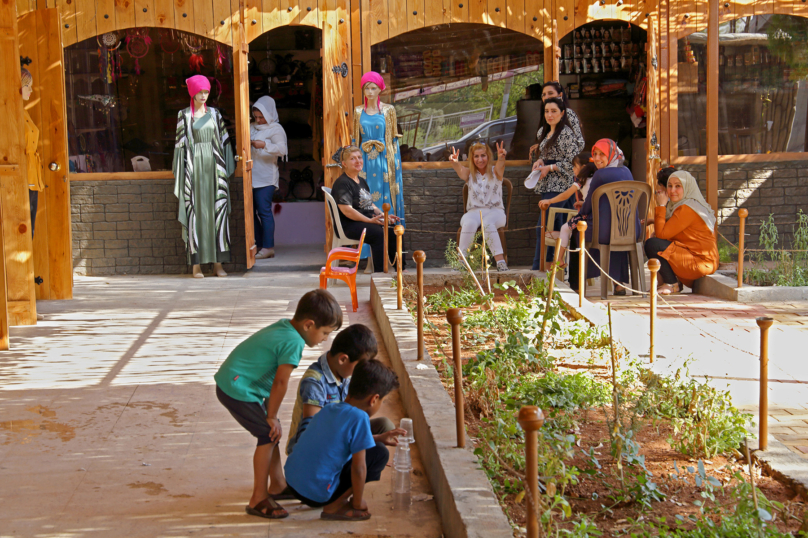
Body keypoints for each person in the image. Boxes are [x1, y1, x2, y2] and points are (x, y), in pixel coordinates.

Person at [214, 289, 343, 519]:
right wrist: (271, 415)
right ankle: (258, 499)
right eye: (324, 333)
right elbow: (281, 382)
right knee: (267, 433)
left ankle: (278, 485)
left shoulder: (286, 327)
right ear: (308, 325)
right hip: (236, 388)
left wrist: (271, 415)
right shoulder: (294, 343)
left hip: (239, 382)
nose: (326, 339)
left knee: (272, 433)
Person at [284, 358, 400, 521]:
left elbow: (339, 441)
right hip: (315, 495)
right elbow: (359, 469)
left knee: (374, 445)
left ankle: (331, 495)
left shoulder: (331, 407)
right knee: (379, 453)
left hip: (291, 482)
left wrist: (379, 437)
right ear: (374, 399)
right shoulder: (359, 417)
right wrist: (358, 503)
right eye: (382, 400)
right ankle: (334, 506)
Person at [285, 324, 403, 456]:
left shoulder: (344, 372)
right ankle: (347, 472)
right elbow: (312, 436)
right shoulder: (315, 383)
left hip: (338, 430)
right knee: (378, 452)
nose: (364, 370)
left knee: (384, 426)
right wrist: (372, 439)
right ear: (343, 359)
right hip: (313, 450)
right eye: (361, 365)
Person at [172, 75, 235, 278]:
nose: (203, 95)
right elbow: (180, 147)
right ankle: (196, 266)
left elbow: (225, 143)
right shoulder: (183, 116)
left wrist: (226, 170)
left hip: (215, 168)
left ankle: (218, 264)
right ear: (192, 92)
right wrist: (182, 175)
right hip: (194, 169)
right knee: (196, 213)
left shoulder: (215, 114)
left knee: (217, 213)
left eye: (206, 91)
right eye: (199, 91)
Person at [566, 139, 636, 295]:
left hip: (603, 232)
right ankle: (619, 284)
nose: (597, 159)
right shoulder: (627, 171)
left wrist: (582, 208)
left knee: (576, 231)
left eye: (602, 154)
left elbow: (589, 204)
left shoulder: (600, 174)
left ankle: (577, 285)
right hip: (628, 230)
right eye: (595, 154)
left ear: (611, 154)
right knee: (618, 231)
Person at [352, 71, 405, 263]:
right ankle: (367, 255)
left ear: (380, 89)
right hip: (364, 162)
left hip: (383, 162)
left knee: (385, 200)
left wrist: (394, 168)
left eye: (374, 87)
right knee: (365, 201)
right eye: (367, 87)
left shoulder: (388, 110)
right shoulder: (358, 112)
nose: (370, 91)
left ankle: (391, 254)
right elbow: (354, 140)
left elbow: (392, 141)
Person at [645, 170, 719, 295]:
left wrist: (661, 205)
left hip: (700, 262)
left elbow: (662, 234)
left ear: (687, 187)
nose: (672, 190)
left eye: (678, 186)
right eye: (670, 186)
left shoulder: (687, 208)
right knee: (658, 243)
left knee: (652, 244)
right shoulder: (684, 205)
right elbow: (671, 230)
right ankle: (669, 283)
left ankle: (671, 284)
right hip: (696, 258)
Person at [331, 146, 401, 273]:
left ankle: (400, 269)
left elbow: (370, 204)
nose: (358, 161)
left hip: (364, 221)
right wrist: (370, 221)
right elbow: (347, 211)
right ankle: (379, 273)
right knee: (378, 233)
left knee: (393, 229)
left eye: (359, 157)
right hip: (349, 225)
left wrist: (384, 216)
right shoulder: (342, 183)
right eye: (353, 159)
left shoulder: (361, 180)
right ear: (344, 164)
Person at [529, 98, 580, 269]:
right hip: (548, 185)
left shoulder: (566, 133)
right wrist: (540, 162)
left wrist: (550, 167)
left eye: (554, 111)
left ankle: (539, 268)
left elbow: (573, 164)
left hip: (562, 186)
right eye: (546, 111)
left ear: (562, 113)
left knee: (543, 227)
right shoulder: (544, 131)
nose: (549, 115)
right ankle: (551, 268)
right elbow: (547, 153)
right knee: (552, 226)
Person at [449, 141, 510, 272]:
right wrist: (455, 162)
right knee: (469, 222)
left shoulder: (496, 172)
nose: (480, 159)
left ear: (488, 156)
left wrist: (501, 157)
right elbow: (459, 169)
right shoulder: (469, 174)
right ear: (472, 158)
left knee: (487, 223)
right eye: (476, 156)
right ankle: (462, 261)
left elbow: (501, 166)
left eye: (483, 155)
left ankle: (500, 262)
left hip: (495, 211)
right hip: (474, 211)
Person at [539, 157, 597, 268]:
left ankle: (560, 259)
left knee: (565, 228)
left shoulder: (581, 181)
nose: (573, 169)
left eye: (575, 166)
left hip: (586, 216)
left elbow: (566, 194)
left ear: (583, 167)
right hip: (596, 215)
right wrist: (582, 202)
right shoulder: (596, 179)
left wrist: (550, 200)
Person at [250, 96, 287, 260]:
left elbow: (282, 150)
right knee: (250, 212)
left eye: (261, 116)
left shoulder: (276, 129)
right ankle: (257, 244)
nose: (258, 120)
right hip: (250, 176)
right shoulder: (251, 127)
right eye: (256, 117)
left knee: (264, 211)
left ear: (269, 113)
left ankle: (268, 247)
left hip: (266, 178)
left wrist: (264, 145)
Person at [529, 82, 585, 159]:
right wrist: (542, 146)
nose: (547, 97)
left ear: (560, 95)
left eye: (550, 93)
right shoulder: (547, 115)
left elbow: (580, 143)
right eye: (544, 94)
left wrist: (561, 160)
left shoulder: (568, 113)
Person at [21, 64, 44, 238]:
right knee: (25, 227)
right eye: (28, 86)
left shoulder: (23, 112)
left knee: (31, 227)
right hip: (23, 175)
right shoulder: (13, 113)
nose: (31, 90)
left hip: (31, 174)